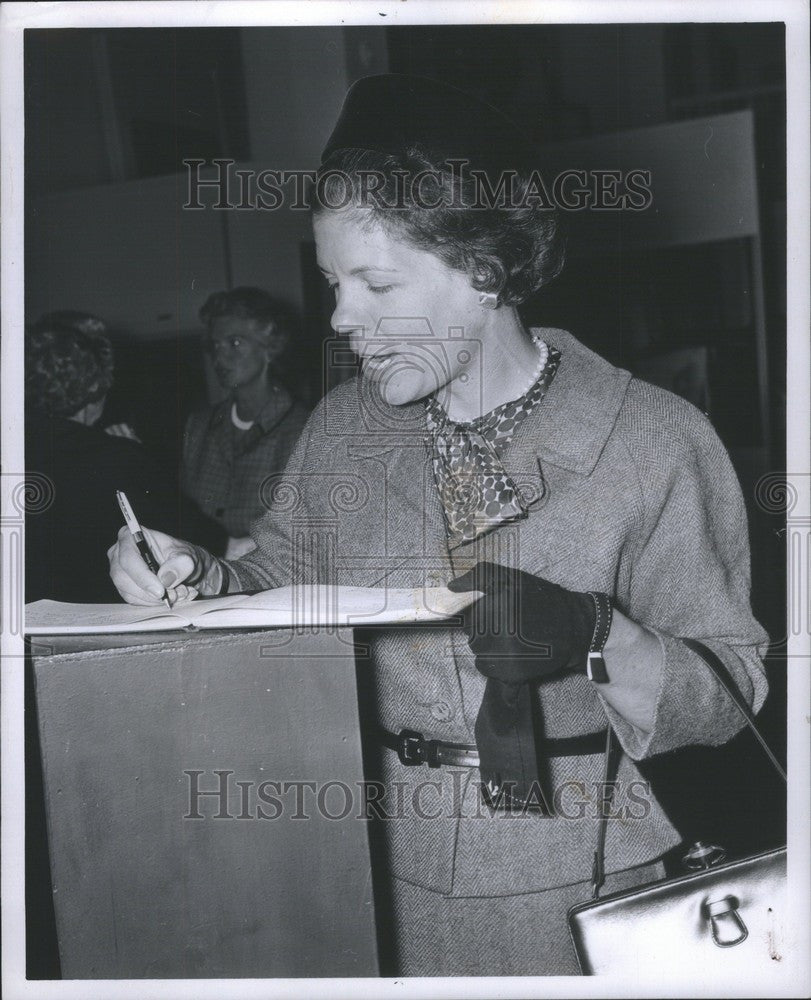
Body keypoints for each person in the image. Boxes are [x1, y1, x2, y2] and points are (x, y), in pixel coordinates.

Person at [108, 75, 769, 976]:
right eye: (332, 281)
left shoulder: (652, 439)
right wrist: (195, 573)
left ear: (484, 271)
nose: (341, 318)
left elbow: (730, 686)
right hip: (369, 864)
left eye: (376, 283)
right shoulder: (343, 428)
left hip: (581, 879)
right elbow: (277, 579)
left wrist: (593, 633)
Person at [24, 313, 191, 603]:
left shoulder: (18, 447)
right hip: (104, 618)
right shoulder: (119, 456)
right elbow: (184, 540)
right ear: (96, 383)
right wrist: (135, 455)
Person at [182, 287, 310, 558]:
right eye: (215, 346)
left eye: (235, 343)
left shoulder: (303, 428)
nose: (220, 357)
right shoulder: (200, 425)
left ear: (271, 348)